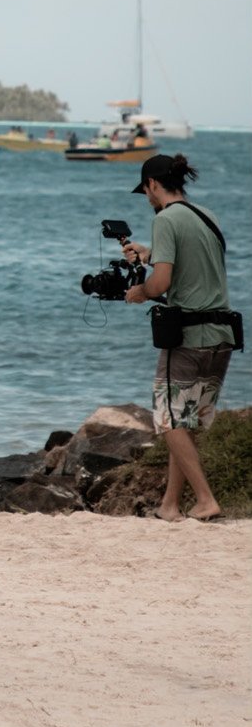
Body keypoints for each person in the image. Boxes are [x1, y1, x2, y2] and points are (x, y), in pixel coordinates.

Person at [123, 153, 237, 524]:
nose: (147, 198)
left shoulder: (166, 219)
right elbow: (194, 264)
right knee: (184, 422)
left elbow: (162, 283)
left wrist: (140, 291)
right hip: (221, 336)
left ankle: (205, 500)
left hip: (188, 337)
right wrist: (149, 253)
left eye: (145, 192)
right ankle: (170, 506)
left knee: (169, 421)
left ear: (154, 185)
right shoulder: (206, 216)